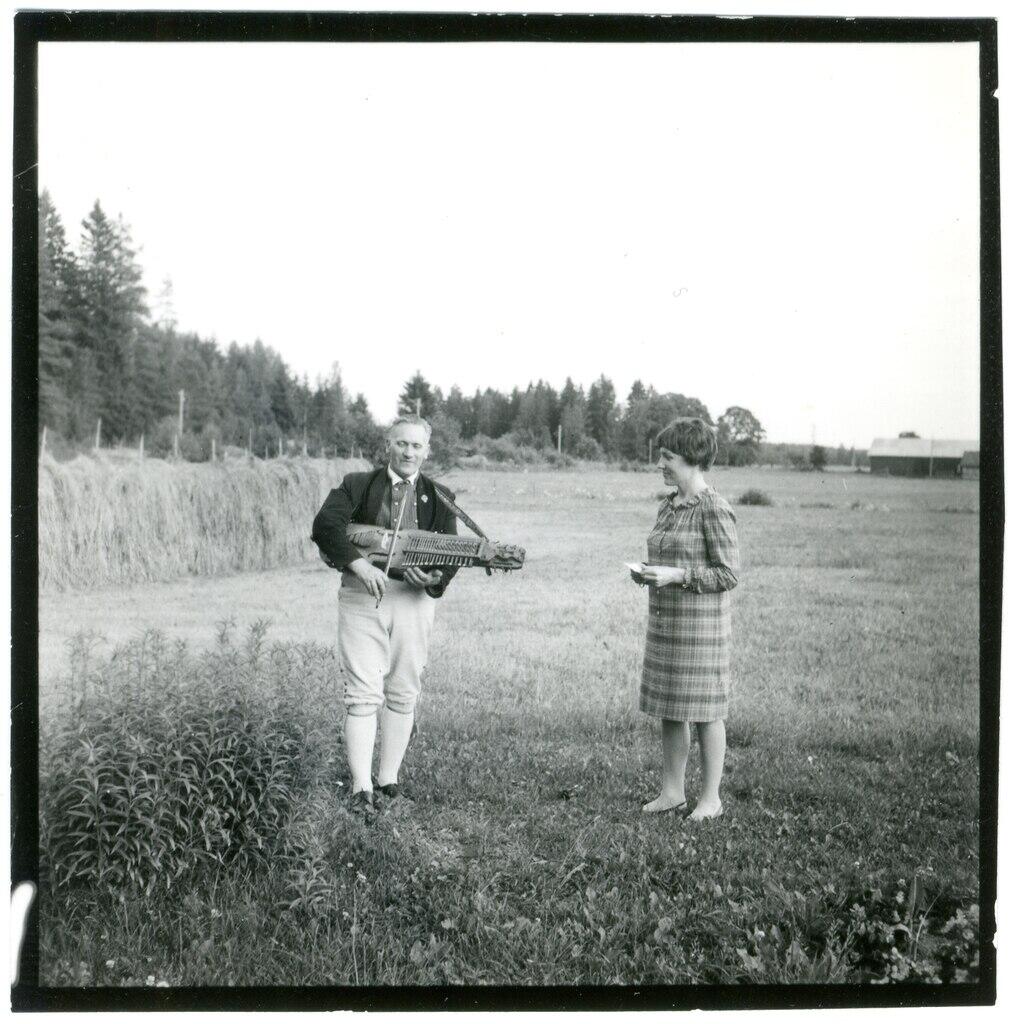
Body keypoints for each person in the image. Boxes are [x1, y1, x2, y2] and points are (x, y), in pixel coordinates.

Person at [312, 415, 458, 817]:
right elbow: (325, 526)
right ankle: (361, 788)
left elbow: (452, 554)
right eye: (402, 444)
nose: (409, 453)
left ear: (427, 451)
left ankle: (388, 780)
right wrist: (359, 566)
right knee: (362, 691)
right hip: (363, 596)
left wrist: (431, 578)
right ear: (388, 446)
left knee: (404, 688)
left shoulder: (440, 497)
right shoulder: (357, 485)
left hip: (414, 601)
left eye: (417, 446)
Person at [630, 417, 740, 821]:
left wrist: (676, 575)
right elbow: (668, 557)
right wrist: (646, 570)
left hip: (702, 631)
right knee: (671, 709)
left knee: (708, 712)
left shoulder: (714, 508)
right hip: (667, 624)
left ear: (692, 459)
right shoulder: (668, 506)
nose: (660, 463)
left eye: (667, 456)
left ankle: (710, 798)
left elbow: (728, 574)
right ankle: (672, 793)